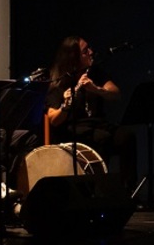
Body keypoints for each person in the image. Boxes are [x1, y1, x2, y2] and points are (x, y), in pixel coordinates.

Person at [44, 36, 138, 193]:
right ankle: (99, 191)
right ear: (73, 57)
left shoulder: (95, 73)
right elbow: (54, 120)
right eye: (85, 51)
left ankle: (129, 190)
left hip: (98, 125)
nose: (91, 52)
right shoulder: (59, 82)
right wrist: (66, 106)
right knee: (102, 138)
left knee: (126, 136)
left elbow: (116, 94)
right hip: (73, 130)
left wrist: (96, 89)